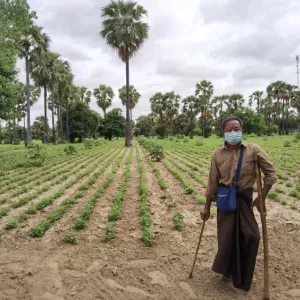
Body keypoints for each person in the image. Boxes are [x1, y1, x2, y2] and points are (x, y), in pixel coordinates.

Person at [200, 116, 276, 292]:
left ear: (242, 130)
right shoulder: (217, 154)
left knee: (251, 236)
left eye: (236, 129)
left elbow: (270, 174)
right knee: (226, 238)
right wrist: (206, 206)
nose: (233, 133)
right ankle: (227, 271)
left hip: (244, 199)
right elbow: (212, 182)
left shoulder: (253, 150)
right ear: (223, 132)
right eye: (229, 130)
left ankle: (243, 273)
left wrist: (262, 196)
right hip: (225, 197)